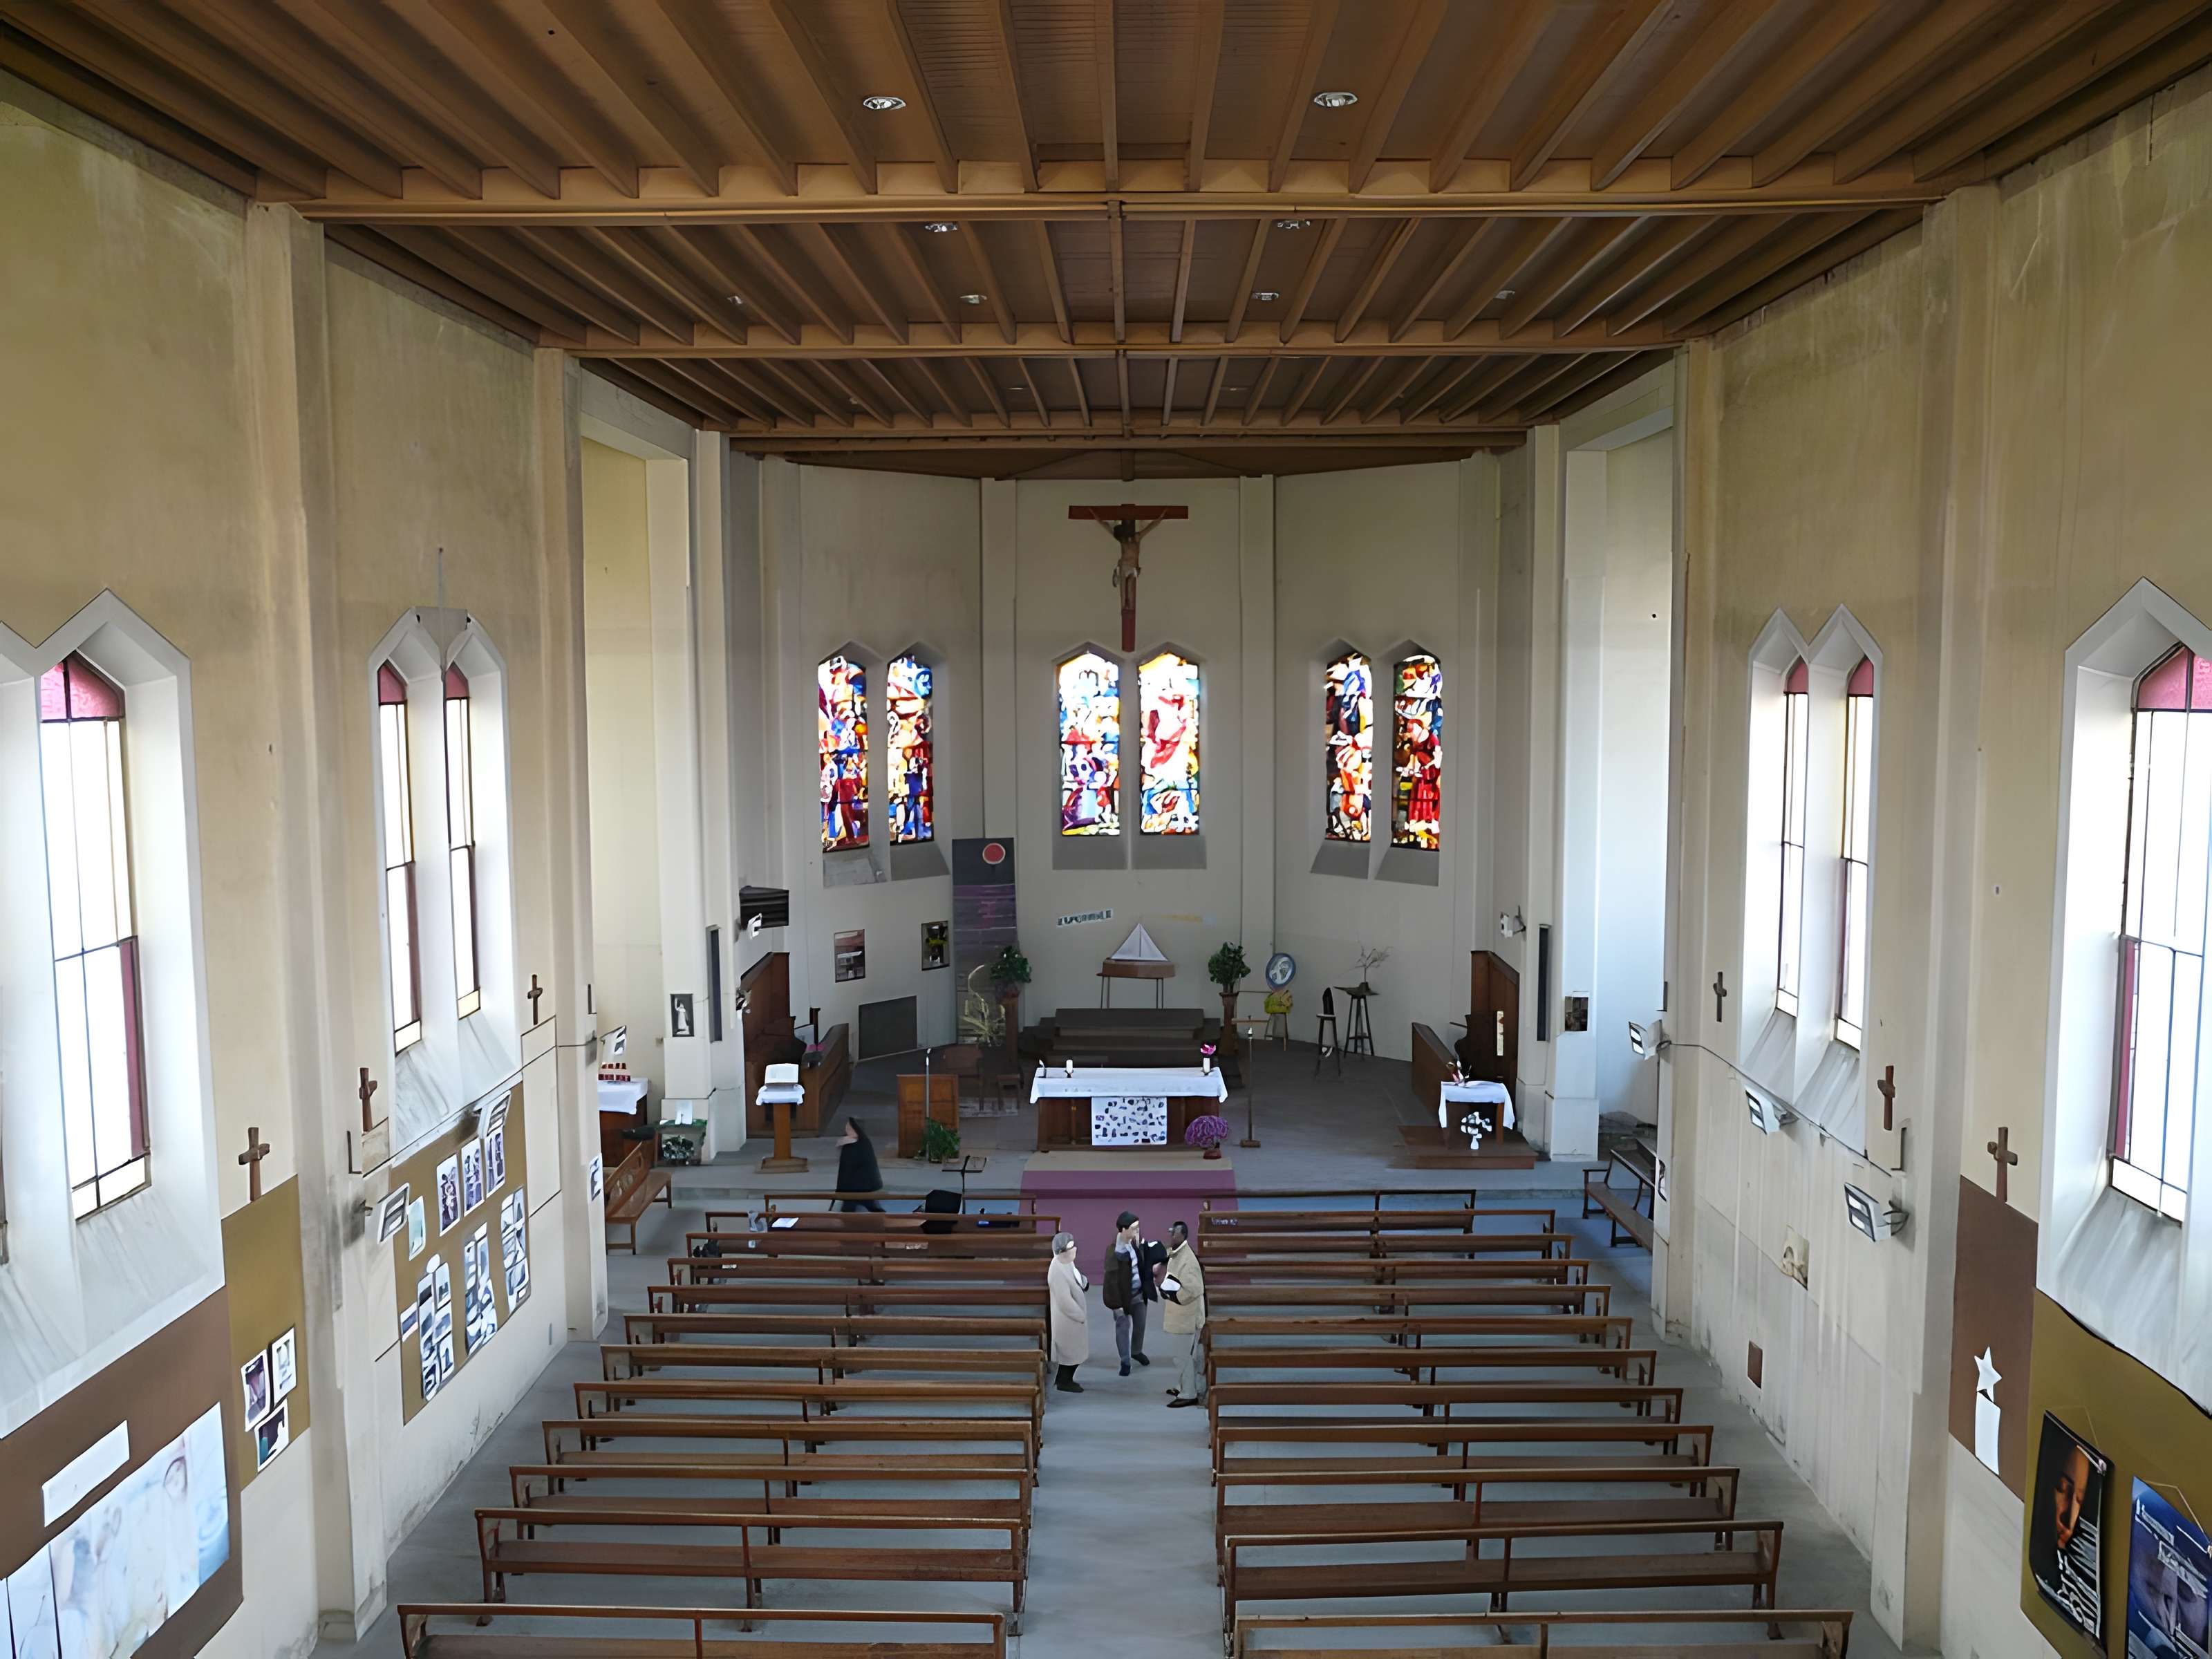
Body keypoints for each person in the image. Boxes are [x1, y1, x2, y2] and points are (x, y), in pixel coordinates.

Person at [1103, 1210, 1168, 1377]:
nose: (1137, 1230)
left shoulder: (1135, 1244)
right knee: (1123, 1330)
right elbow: (1110, 1282)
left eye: (1138, 1227)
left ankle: (1136, 1351)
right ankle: (1125, 1361)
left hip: (1139, 1294)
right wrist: (1116, 1305)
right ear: (1123, 1230)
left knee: (1140, 1326)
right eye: (1134, 1228)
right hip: (1122, 1298)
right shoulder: (1113, 1252)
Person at [1160, 1219, 1208, 1407]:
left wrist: (1172, 1295)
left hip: (1185, 1316)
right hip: (1180, 1315)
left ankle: (1189, 1393)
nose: (1170, 1236)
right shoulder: (1178, 1253)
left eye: (1174, 1234)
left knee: (1182, 1356)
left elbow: (1194, 1289)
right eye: (1170, 1232)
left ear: (1183, 1236)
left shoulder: (1188, 1260)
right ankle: (1182, 1386)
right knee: (1182, 1354)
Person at [1047, 1232, 1089, 1392]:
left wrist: (1084, 1282)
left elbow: (1077, 1277)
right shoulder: (1057, 1269)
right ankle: (1064, 1381)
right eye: (1070, 1247)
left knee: (1075, 1352)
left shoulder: (1067, 1263)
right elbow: (1064, 1300)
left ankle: (1065, 1379)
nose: (1074, 1250)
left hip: (1075, 1320)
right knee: (1069, 1354)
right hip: (1067, 1320)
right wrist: (1079, 1315)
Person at [834, 1118, 883, 1212]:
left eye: (849, 1127)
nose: (847, 1129)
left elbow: (866, 1165)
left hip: (861, 1184)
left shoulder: (862, 1144)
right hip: (852, 1184)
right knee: (850, 1208)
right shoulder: (848, 1142)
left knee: (867, 1205)